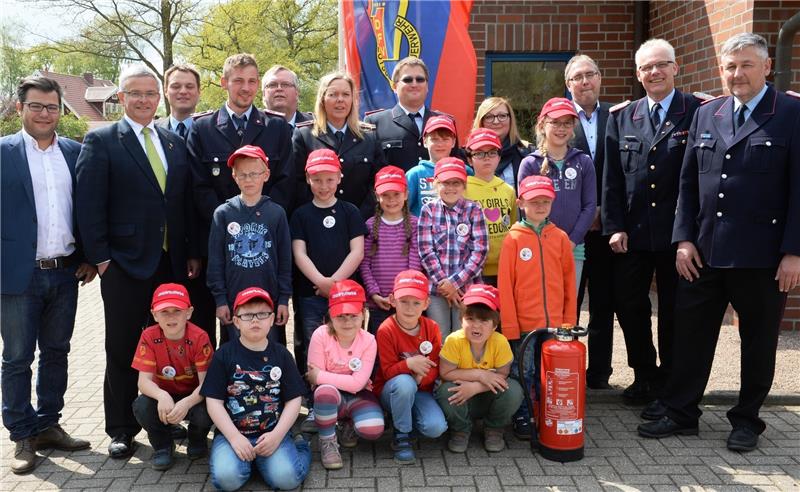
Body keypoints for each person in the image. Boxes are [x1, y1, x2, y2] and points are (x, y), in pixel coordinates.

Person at [638, 33, 800, 452]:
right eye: (730, 66)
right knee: (691, 335)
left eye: (746, 65)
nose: (737, 74)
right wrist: (684, 239)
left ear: (766, 67)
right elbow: (688, 183)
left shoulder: (790, 113)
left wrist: (794, 251)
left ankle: (747, 419)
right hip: (704, 252)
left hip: (762, 257)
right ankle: (682, 412)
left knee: (759, 341)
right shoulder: (708, 114)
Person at [76, 65, 199, 460]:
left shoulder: (172, 141)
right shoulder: (102, 140)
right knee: (124, 346)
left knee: (169, 347)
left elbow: (181, 203)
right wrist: (102, 258)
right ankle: (122, 428)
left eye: (150, 93)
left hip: (171, 262)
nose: (145, 99)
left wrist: (191, 252)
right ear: (121, 98)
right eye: (136, 93)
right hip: (125, 264)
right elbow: (88, 204)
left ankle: (164, 417)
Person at [1, 76, 96, 474]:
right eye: (36, 106)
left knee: (57, 353)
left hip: (64, 273)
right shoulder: (3, 153)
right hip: (17, 276)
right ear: (20, 108)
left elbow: (87, 209)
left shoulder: (74, 152)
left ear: (60, 110)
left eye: (51, 107)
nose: (44, 114)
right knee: (18, 358)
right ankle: (22, 435)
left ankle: (48, 424)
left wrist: (89, 256)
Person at [603, 39, 702, 411]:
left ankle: (673, 379)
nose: (654, 72)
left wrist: (689, 234)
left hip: (680, 235)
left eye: (662, 65)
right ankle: (645, 373)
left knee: (676, 309)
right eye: (646, 67)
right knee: (629, 305)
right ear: (638, 73)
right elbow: (612, 179)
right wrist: (615, 226)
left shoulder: (697, 111)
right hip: (634, 233)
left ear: (676, 68)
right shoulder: (622, 117)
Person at [187, 53, 294, 346]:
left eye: (251, 81)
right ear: (224, 83)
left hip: (267, 247)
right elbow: (198, 186)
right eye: (238, 81)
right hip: (223, 244)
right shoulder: (202, 128)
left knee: (271, 330)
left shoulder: (277, 127)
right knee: (230, 329)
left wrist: (260, 218)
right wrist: (234, 218)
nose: (245, 88)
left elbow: (285, 181)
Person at [201, 287, 310, 491]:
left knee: (287, 480)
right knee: (226, 480)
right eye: (248, 315)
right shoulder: (223, 355)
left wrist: (277, 435)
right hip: (232, 433)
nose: (255, 320)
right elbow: (213, 401)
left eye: (262, 314)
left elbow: (294, 399)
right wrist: (234, 437)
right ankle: (256, 462)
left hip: (272, 432)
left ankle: (300, 447)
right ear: (236, 321)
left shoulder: (281, 354)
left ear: (271, 319)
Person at [290, 149, 367, 430]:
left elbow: (357, 252)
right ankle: (315, 405)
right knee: (315, 350)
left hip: (346, 298)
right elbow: (299, 253)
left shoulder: (350, 212)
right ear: (308, 179)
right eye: (317, 179)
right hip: (311, 296)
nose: (324, 186)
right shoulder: (300, 214)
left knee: (349, 347)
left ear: (339, 178)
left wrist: (334, 284)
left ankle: (349, 402)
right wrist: (321, 283)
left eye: (329, 179)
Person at [498, 175, 577, 438]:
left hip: (555, 324)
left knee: (551, 374)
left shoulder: (561, 238)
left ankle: (548, 415)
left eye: (545, 201)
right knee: (525, 372)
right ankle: (523, 415)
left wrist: (568, 321)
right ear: (521, 203)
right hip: (524, 325)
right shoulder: (513, 239)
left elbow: (569, 283)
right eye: (534, 202)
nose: (540, 206)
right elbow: (505, 286)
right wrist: (510, 325)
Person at [157, 63, 218, 349]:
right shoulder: (152, 133)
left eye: (189, 86)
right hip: (158, 252)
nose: (183, 91)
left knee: (203, 322)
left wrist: (196, 249)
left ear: (199, 92)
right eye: (176, 86)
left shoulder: (211, 131)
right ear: (165, 91)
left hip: (203, 248)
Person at [565, 54, 616, 390]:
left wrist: (605, 211)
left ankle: (598, 373)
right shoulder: (559, 118)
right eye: (578, 77)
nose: (585, 82)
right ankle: (564, 364)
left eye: (591, 75)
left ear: (599, 78)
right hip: (572, 230)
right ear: (568, 85)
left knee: (604, 302)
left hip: (610, 228)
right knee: (568, 301)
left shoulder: (619, 116)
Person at [206, 145, 292, 344]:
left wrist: (283, 301)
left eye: (254, 173)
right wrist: (220, 300)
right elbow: (216, 262)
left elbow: (285, 262)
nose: (248, 179)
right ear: (234, 177)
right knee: (234, 353)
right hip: (234, 303)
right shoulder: (224, 214)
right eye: (242, 174)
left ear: (266, 175)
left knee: (270, 351)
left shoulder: (276, 214)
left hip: (268, 302)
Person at [131, 283, 214, 470]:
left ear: (189, 312)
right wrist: (161, 395)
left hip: (195, 395)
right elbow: (143, 382)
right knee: (142, 405)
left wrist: (187, 402)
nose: (171, 317)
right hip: (165, 395)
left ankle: (197, 438)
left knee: (208, 408)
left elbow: (207, 384)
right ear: (154, 315)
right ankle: (163, 445)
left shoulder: (199, 337)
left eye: (177, 310)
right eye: (164, 312)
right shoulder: (149, 336)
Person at [518, 98, 597, 287]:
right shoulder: (530, 163)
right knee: (539, 305)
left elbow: (589, 206)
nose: (561, 128)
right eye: (555, 122)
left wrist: (572, 241)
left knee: (568, 308)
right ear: (542, 125)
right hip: (539, 246)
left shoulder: (583, 161)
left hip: (574, 249)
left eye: (567, 123)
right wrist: (546, 240)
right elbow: (525, 208)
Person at [306, 280, 385, 470]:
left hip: (359, 396)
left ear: (363, 314)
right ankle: (328, 441)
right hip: (331, 398)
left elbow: (357, 385)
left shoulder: (369, 340)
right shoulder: (320, 335)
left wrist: (321, 375)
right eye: (341, 316)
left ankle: (347, 423)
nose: (348, 322)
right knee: (324, 392)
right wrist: (328, 379)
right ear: (331, 316)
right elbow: (315, 382)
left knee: (373, 429)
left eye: (353, 316)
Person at [436, 284, 523, 453]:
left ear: (495, 325)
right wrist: (479, 374)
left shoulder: (500, 342)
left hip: (488, 396)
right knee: (446, 391)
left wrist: (476, 387)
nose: (476, 326)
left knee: (513, 390)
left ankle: (494, 429)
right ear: (461, 320)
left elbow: (503, 374)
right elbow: (445, 373)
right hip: (462, 398)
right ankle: (460, 430)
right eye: (470, 319)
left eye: (484, 321)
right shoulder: (454, 340)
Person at [374, 270, 447, 464]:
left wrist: (420, 378)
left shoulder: (432, 328)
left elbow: (435, 367)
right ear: (392, 300)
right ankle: (401, 435)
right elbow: (387, 371)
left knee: (435, 427)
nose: (409, 308)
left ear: (426, 304)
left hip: (421, 390)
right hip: (391, 391)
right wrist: (409, 364)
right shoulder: (386, 330)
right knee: (405, 384)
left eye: (416, 302)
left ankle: (404, 418)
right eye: (404, 301)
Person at [292, 71, 385, 217]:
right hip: (317, 221)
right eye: (333, 94)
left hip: (360, 222)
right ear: (322, 99)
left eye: (346, 94)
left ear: (353, 100)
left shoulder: (369, 136)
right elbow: (297, 183)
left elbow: (378, 182)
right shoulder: (304, 135)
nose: (340, 100)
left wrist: (358, 217)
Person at [418, 158, 488, 337]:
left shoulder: (474, 210)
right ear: (435, 184)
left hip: (467, 288)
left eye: (456, 183)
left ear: (464, 185)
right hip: (436, 289)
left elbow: (480, 251)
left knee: (463, 336)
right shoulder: (428, 210)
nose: (450, 188)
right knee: (439, 336)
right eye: (445, 183)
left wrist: (455, 283)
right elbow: (426, 251)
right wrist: (445, 285)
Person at [360, 166, 421, 334]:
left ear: (406, 194)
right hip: (379, 302)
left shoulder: (415, 225)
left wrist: (401, 294)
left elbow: (415, 264)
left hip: (406, 303)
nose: (391, 200)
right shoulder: (370, 225)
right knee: (378, 350)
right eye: (385, 195)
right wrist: (373, 293)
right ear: (377, 196)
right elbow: (364, 263)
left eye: (396, 194)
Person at [364, 56, 443, 171]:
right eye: (408, 80)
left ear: (427, 86)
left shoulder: (444, 121)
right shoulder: (374, 123)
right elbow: (367, 170)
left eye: (420, 79)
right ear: (394, 86)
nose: (414, 84)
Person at [464, 128, 517, 286]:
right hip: (474, 270)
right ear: (469, 159)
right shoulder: (464, 190)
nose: (486, 158)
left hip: (504, 267)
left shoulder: (508, 190)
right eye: (479, 153)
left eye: (492, 153)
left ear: (499, 156)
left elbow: (513, 227)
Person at [472, 97, 533, 192]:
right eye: (489, 117)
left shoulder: (525, 153)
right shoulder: (468, 155)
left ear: (510, 119)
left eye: (502, 116)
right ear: (481, 121)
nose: (496, 121)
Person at [406, 115, 462, 217]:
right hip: (423, 230)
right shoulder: (414, 174)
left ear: (453, 142)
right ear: (425, 141)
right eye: (435, 139)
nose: (440, 144)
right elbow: (404, 209)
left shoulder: (464, 171)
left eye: (445, 139)